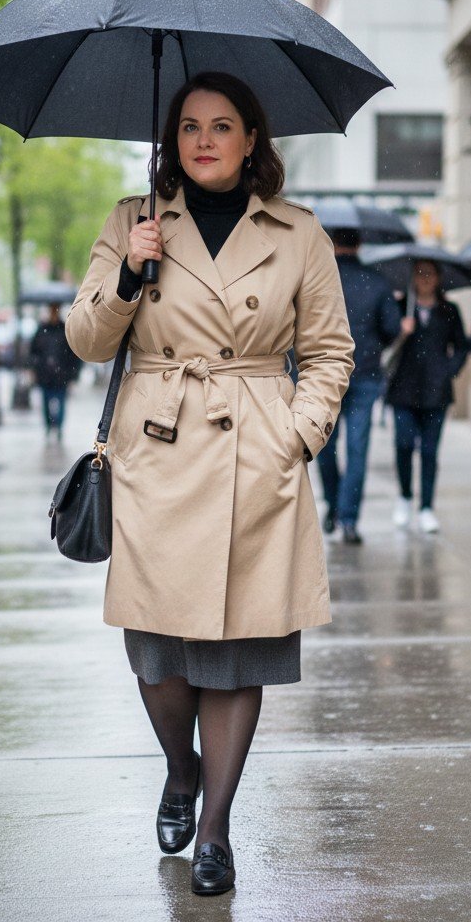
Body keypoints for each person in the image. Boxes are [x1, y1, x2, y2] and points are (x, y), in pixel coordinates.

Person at [65, 72, 354, 896]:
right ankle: (180, 769)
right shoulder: (135, 219)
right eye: (188, 125)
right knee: (157, 654)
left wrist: (295, 436)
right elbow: (86, 339)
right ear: (172, 138)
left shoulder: (298, 232)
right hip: (158, 448)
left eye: (221, 125)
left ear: (251, 139)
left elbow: (329, 351)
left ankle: (216, 830)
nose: (203, 139)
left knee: (238, 651)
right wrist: (128, 274)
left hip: (256, 451)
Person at [316, 228, 402, 544]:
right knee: (357, 449)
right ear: (360, 244)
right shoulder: (377, 282)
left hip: (323, 374)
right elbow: (392, 329)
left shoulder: (317, 276)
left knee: (323, 443)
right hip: (364, 372)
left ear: (332, 242)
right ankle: (349, 519)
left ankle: (333, 505)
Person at [387, 260, 468, 533]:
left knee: (430, 451)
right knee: (403, 445)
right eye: (419, 273)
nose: (424, 278)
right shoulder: (400, 308)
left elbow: (461, 347)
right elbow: (384, 341)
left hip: (437, 392)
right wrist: (402, 330)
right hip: (403, 390)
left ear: (438, 278)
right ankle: (405, 496)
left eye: (429, 273)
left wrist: (450, 371)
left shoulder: (449, 311)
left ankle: (427, 507)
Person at [29, 302, 80, 440]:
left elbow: (73, 353)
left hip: (61, 375)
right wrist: (34, 368)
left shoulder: (65, 329)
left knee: (61, 401)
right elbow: (33, 351)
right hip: (45, 374)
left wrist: (73, 374)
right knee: (46, 402)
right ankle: (48, 426)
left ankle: (58, 427)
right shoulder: (41, 329)